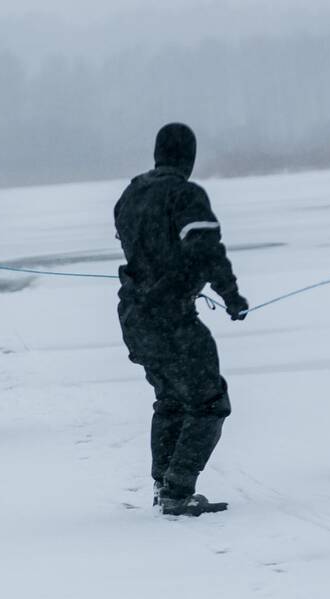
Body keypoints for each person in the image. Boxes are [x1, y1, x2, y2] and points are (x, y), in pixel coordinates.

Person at [114, 123, 249, 516]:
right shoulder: (185, 194)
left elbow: (144, 249)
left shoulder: (131, 193)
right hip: (170, 317)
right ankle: (177, 491)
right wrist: (232, 297)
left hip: (135, 316)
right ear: (188, 157)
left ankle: (164, 485)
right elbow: (206, 248)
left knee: (171, 399)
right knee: (208, 403)